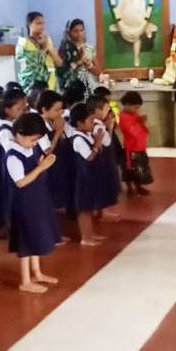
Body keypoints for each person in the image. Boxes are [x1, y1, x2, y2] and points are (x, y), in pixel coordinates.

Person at [6, 113, 60, 293]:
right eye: (33, 139)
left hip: (37, 199)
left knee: (35, 235)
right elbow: (20, 182)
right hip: (24, 203)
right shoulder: (13, 155)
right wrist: (41, 167)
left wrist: (42, 164)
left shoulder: (30, 149)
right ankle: (25, 280)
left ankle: (36, 272)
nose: (35, 143)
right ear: (19, 134)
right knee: (25, 239)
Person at [69, 103, 107, 247]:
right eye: (90, 121)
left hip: (90, 177)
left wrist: (97, 142)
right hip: (82, 179)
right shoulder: (78, 139)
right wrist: (97, 145)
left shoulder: (87, 135)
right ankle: (85, 237)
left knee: (89, 208)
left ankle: (91, 233)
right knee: (84, 209)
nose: (93, 124)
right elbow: (89, 156)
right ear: (80, 123)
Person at [0, 88, 28, 226]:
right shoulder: (5, 131)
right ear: (7, 110)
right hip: (9, 173)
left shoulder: (15, 127)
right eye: (19, 109)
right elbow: (13, 151)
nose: (24, 111)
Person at [36, 90, 69, 215]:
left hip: (57, 165)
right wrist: (58, 132)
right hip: (47, 167)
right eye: (57, 110)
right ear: (44, 109)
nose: (60, 113)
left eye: (61, 109)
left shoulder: (52, 121)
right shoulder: (39, 124)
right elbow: (47, 151)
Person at [87, 96, 120, 219]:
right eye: (106, 109)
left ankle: (100, 210)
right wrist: (110, 127)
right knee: (101, 186)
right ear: (97, 110)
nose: (108, 112)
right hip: (101, 161)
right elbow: (106, 142)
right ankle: (99, 211)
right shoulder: (98, 126)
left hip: (100, 159)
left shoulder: (95, 124)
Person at [15, 11, 63, 91]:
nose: (42, 26)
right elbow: (32, 68)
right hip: (34, 87)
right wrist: (44, 49)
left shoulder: (47, 39)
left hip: (51, 83)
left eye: (43, 23)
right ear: (29, 24)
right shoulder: (24, 43)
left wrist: (49, 48)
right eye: (38, 23)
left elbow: (59, 63)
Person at [119, 91, 153, 197]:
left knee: (140, 168)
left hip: (139, 146)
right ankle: (130, 188)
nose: (136, 110)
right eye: (135, 107)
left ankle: (138, 187)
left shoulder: (133, 114)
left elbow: (137, 126)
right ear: (127, 104)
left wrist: (140, 121)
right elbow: (129, 130)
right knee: (130, 169)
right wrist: (138, 121)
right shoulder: (123, 116)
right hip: (131, 148)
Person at [57, 19, 98, 100]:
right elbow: (61, 71)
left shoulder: (90, 48)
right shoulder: (64, 49)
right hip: (71, 88)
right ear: (69, 33)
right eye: (75, 31)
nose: (79, 34)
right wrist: (77, 62)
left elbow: (97, 72)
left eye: (81, 30)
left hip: (88, 86)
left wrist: (89, 65)